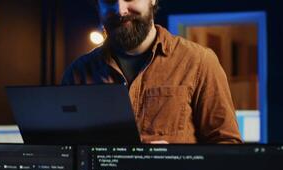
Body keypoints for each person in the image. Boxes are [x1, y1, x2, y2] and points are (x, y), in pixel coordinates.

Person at [62, 0, 243, 144]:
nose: (120, 9)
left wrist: (177, 161)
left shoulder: (199, 61)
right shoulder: (78, 72)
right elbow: (65, 151)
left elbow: (228, 145)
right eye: (109, 1)